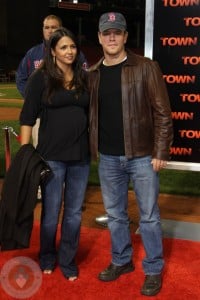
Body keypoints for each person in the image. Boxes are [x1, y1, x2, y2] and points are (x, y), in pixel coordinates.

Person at [88, 12, 173, 296]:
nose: (112, 37)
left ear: (125, 36)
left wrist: (160, 150)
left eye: (117, 32)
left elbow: (163, 113)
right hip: (108, 158)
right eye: (106, 32)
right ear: (100, 38)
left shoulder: (146, 67)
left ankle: (152, 268)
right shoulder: (93, 73)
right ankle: (122, 260)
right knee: (115, 215)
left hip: (142, 157)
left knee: (149, 216)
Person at [19, 27, 90, 281]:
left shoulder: (84, 77)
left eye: (72, 47)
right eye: (63, 47)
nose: (69, 51)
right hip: (51, 157)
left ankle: (68, 260)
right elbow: (27, 117)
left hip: (80, 158)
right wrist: (26, 154)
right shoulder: (41, 78)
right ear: (53, 51)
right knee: (50, 213)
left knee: (73, 214)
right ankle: (47, 256)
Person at [16, 14, 88, 147]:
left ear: (61, 29)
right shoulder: (33, 53)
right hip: (40, 115)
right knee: (43, 156)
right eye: (46, 27)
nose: (49, 30)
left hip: (72, 121)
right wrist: (33, 97)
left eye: (53, 27)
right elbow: (21, 77)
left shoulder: (76, 54)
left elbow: (85, 81)